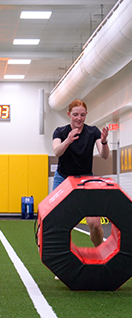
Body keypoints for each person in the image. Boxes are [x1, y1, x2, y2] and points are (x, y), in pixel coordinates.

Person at [52, 99, 109, 247]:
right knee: (60, 221)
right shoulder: (60, 131)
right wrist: (67, 141)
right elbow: (57, 151)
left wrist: (103, 142)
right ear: (69, 114)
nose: (79, 118)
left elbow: (104, 155)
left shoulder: (93, 132)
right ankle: (62, 254)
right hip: (63, 178)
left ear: (86, 114)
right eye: (75, 114)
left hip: (85, 180)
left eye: (82, 115)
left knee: (95, 224)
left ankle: (100, 251)